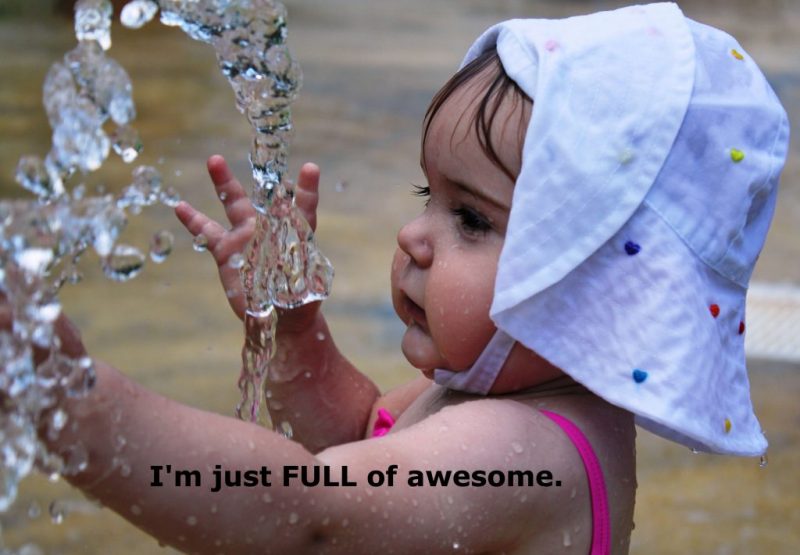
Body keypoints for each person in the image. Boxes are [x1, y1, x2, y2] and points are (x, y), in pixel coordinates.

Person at [9, 3, 789, 554]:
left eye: (471, 219)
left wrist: (77, 406)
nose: (414, 237)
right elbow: (355, 437)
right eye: (429, 196)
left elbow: (308, 513)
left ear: (600, 282)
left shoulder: (526, 450)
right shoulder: (480, 397)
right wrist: (296, 332)